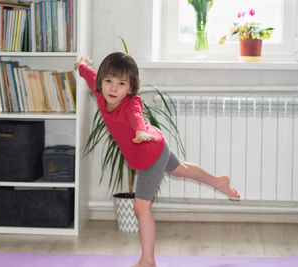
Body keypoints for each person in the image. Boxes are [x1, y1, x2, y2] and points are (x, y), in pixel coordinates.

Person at [75, 52, 240, 267]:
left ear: (131, 88)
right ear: (101, 82)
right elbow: (88, 73)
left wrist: (141, 131)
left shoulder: (132, 103)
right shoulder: (99, 90)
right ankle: (218, 181)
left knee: (141, 208)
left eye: (121, 83)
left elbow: (137, 118)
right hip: (156, 147)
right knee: (181, 169)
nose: (113, 88)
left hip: (151, 154)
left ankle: (148, 260)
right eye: (108, 81)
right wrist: (81, 65)